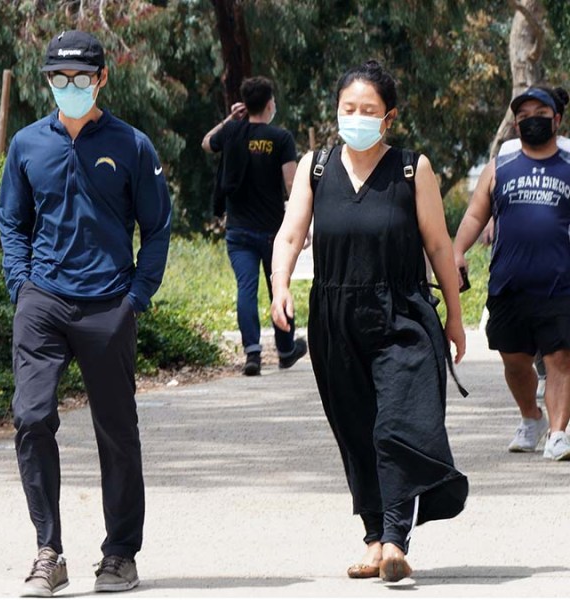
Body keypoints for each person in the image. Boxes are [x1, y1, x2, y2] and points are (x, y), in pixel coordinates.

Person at [270, 60, 468, 582]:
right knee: (356, 429)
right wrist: (280, 288)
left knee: (396, 424)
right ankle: (375, 536)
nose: (356, 117)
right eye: (348, 109)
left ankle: (397, 538)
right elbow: (289, 235)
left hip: (402, 311)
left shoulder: (411, 168)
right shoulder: (317, 167)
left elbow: (439, 245)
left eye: (369, 110)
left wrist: (455, 315)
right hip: (335, 318)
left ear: (389, 117)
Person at [0, 30, 172, 596]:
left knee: (117, 432)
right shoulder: (26, 145)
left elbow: (159, 227)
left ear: (100, 79)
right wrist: (21, 286)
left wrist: (135, 299)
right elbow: (12, 222)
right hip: (42, 302)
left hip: (108, 305)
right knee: (31, 417)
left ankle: (120, 554)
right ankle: (49, 551)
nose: (67, 87)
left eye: (78, 78)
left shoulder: (132, 145)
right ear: (47, 80)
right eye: (57, 78)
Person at [454, 85, 570, 461]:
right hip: (509, 282)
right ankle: (531, 417)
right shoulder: (500, 166)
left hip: (560, 283)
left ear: (557, 119)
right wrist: (457, 251)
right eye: (523, 116)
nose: (530, 119)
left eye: (539, 113)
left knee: (560, 358)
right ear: (516, 124)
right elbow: (475, 215)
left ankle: (557, 433)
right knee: (514, 360)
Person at [201, 76, 307, 376]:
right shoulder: (280, 138)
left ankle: (253, 354)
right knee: (278, 286)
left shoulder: (232, 132)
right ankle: (286, 350)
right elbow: (291, 183)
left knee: (246, 288)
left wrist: (229, 119)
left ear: (245, 105)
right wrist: (303, 223)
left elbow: (207, 143)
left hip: (239, 232)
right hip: (274, 232)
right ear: (270, 104)